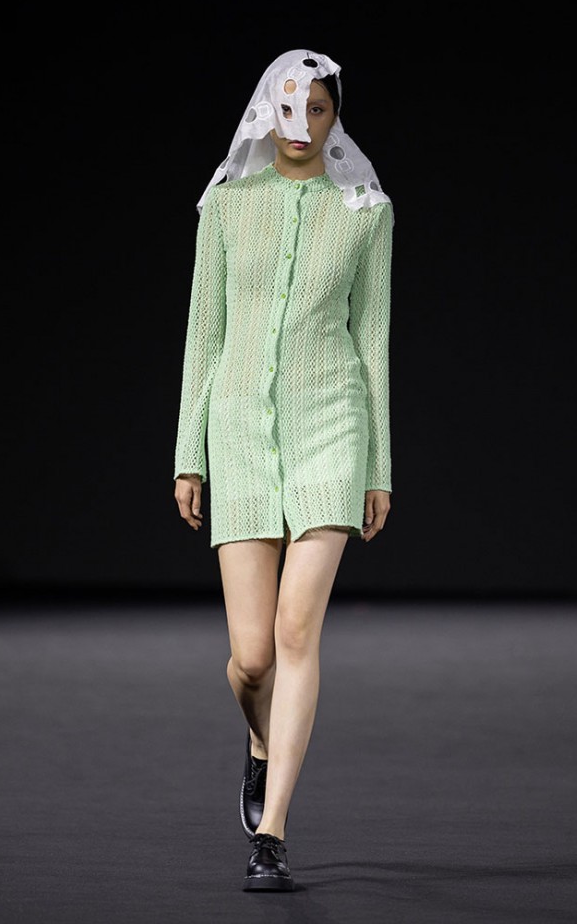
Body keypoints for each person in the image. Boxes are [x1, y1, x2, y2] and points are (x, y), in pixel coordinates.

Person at [173, 48, 394, 892]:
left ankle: (272, 832)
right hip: (236, 434)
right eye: (289, 107)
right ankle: (259, 736)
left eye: (320, 109)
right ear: (266, 110)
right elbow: (204, 335)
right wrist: (188, 452)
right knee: (253, 658)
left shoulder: (366, 212)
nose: (303, 125)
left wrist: (377, 467)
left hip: (332, 428)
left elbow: (372, 343)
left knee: (299, 633)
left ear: (337, 116)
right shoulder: (227, 204)